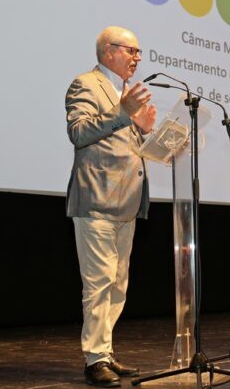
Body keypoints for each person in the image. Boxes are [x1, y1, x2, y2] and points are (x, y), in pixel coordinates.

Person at [65, 26, 157, 387]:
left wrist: (144, 130)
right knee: (99, 283)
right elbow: (79, 132)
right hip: (97, 200)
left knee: (117, 284)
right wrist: (124, 113)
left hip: (127, 203)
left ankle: (105, 351)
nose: (137, 58)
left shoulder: (123, 93)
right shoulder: (85, 84)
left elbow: (121, 143)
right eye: (131, 51)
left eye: (138, 52)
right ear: (108, 51)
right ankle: (95, 359)